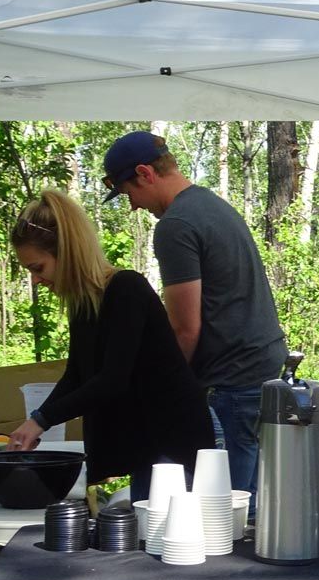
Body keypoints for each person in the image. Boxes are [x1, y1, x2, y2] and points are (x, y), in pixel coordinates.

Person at [101, 130, 286, 496]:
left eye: (129, 194)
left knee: (225, 509)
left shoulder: (175, 225)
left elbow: (185, 329)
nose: (134, 206)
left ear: (145, 173)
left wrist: (160, 390)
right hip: (261, 369)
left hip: (231, 380)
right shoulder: (213, 205)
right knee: (245, 500)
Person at [6, 189, 212, 503]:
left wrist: (41, 420)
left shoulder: (126, 290)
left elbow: (112, 380)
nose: (35, 280)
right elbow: (76, 375)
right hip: (145, 442)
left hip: (174, 442)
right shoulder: (84, 304)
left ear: (68, 253)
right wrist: (35, 421)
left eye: (38, 268)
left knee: (158, 539)